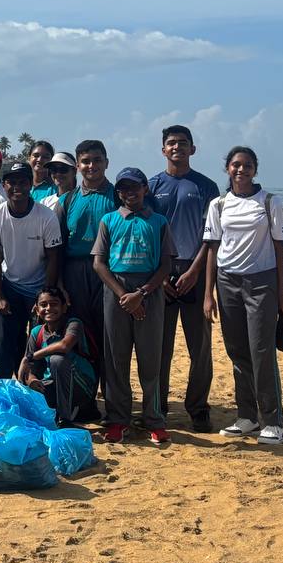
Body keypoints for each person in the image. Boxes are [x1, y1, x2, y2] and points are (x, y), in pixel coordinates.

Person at [203, 146, 283, 446]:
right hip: (226, 281)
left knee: (261, 350)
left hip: (261, 281)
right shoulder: (218, 204)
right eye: (235, 165)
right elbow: (212, 249)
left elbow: (280, 248)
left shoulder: (269, 202)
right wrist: (208, 293)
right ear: (227, 168)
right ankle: (247, 417)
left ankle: (273, 422)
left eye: (247, 165)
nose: (241, 170)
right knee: (237, 350)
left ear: (256, 169)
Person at [92, 167, 176, 445]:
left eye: (134, 187)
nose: (129, 193)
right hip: (115, 292)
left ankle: (153, 419)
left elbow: (166, 264)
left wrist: (141, 293)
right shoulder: (109, 220)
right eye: (123, 189)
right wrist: (123, 296)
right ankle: (118, 419)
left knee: (150, 359)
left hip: (149, 292)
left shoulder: (159, 222)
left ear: (145, 189)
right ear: (118, 193)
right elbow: (99, 263)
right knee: (116, 360)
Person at [148, 125, 220, 433]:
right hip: (161, 272)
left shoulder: (206, 187)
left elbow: (212, 235)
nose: (177, 147)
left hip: (195, 270)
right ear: (163, 149)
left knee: (200, 347)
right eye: (171, 143)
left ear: (193, 149)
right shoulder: (151, 186)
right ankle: (158, 407)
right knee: (158, 347)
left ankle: (198, 408)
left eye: (183, 143)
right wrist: (159, 275)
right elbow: (147, 233)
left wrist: (194, 273)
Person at [0, 161, 63, 381]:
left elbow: (53, 258)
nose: (17, 187)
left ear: (30, 185)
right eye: (11, 182)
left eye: (22, 182)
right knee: (4, 343)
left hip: (39, 286)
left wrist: (46, 296)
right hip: (10, 285)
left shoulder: (46, 217)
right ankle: (6, 388)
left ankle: (37, 387)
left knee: (38, 344)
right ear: (4, 185)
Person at [52, 139, 118, 383]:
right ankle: (86, 395)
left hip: (109, 271)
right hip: (74, 272)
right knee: (81, 334)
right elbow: (56, 248)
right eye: (86, 161)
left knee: (110, 335)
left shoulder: (118, 197)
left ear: (106, 162)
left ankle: (112, 396)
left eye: (97, 160)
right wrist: (59, 282)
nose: (92, 166)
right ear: (78, 166)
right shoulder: (66, 201)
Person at [17, 286, 98, 427]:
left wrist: (29, 356)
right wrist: (32, 380)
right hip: (54, 384)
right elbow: (30, 369)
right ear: (37, 310)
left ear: (64, 307)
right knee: (26, 395)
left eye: (54, 304)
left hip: (81, 385)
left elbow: (64, 346)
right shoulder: (37, 332)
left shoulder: (73, 324)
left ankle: (65, 419)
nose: (48, 308)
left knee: (57, 359)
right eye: (43, 305)